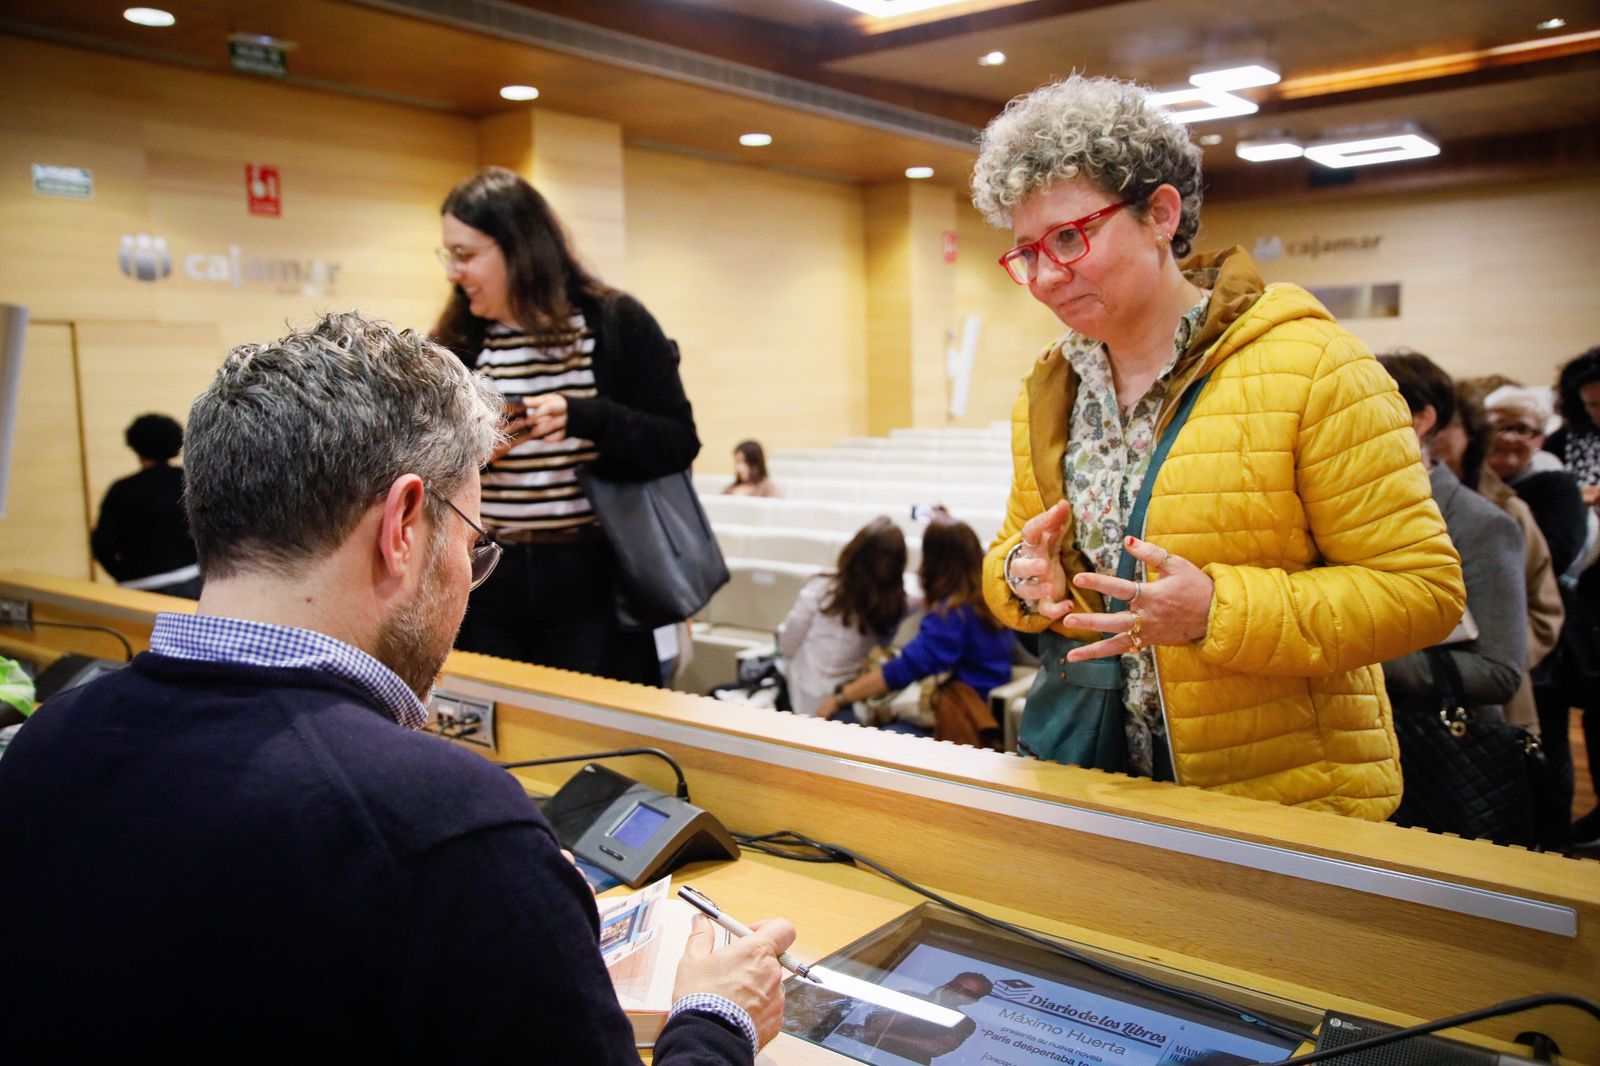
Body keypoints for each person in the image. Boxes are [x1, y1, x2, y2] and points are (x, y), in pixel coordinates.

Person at [0, 312, 791, 1061]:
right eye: (472, 544)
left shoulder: (46, 745)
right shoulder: (446, 830)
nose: (466, 581)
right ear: (405, 524)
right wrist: (717, 1022)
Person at [972, 75, 1464, 818]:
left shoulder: (1316, 366)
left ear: (1160, 215)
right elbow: (1012, 549)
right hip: (1091, 781)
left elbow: (1423, 595)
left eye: (1070, 237)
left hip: (1279, 799)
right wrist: (1018, 574)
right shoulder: (1052, 388)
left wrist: (1216, 612)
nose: (1043, 276)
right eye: (1026, 252)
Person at [433, 166, 699, 685]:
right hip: (486, 572)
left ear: (519, 245)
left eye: (465, 255)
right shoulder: (458, 337)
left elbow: (677, 441)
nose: (453, 272)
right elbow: (423, 459)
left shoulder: (614, 322)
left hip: (592, 574)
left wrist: (587, 417)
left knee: (594, 733)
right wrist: (477, 452)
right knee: (498, 725)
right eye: (449, 255)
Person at [1377, 352, 1526, 728]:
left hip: (1435, 750)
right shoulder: (1340, 508)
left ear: (1421, 420)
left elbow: (1498, 672)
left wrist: (1353, 653)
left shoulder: (1480, 523)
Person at [1430, 381, 1562, 737]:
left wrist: (1500, 657)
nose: (1432, 433)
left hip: (1492, 700)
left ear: (1471, 432)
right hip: (1420, 703)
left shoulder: (1504, 509)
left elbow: (1545, 609)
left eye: (1448, 423)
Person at [817, 516, 1013, 740]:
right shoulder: (989, 601)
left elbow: (903, 669)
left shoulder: (953, 615)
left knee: (847, 721)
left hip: (958, 714)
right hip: (981, 708)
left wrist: (841, 697)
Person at [778, 517, 909, 717]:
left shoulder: (822, 589)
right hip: (851, 694)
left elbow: (787, 644)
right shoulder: (899, 602)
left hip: (804, 689)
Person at [1482, 384, 1590, 578]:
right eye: (1498, 427)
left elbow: (1556, 558)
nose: (1508, 438)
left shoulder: (1558, 487)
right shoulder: (1463, 481)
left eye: (1522, 429)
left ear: (1538, 441)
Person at [89, 412, 201, 598]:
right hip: (192, 576)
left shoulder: (121, 490)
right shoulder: (190, 480)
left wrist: (124, 575)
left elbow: (102, 544)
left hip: (140, 585)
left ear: (135, 446)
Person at [835, 971, 991, 1064]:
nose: (957, 992)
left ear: (973, 1001)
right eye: (955, 986)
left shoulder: (965, 1023)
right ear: (948, 984)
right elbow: (875, 1025)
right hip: (857, 1055)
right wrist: (928, 1003)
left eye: (967, 992)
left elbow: (936, 1048)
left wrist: (881, 1035)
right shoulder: (908, 995)